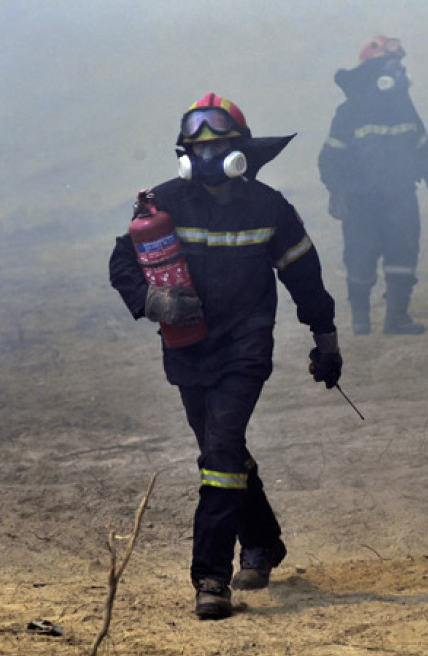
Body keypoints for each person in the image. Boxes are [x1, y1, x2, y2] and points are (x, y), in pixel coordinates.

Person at [109, 93, 343, 620]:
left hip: (245, 346)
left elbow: (305, 276)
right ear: (185, 154)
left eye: (219, 146)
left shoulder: (269, 207)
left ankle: (211, 579)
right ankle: (263, 542)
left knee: (219, 453)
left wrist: (325, 336)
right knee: (224, 449)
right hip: (187, 348)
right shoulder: (162, 204)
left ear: (241, 152)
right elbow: (122, 266)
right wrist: (153, 302)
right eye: (198, 148)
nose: (208, 155)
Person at [318, 35, 428, 336]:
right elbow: (329, 159)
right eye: (390, 65)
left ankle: (396, 318)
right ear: (372, 71)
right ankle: (360, 321)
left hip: (401, 197)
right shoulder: (350, 112)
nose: (397, 71)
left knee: (403, 255)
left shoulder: (404, 106)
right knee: (360, 258)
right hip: (360, 201)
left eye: (398, 65)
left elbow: (421, 146)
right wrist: (337, 192)